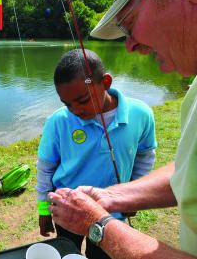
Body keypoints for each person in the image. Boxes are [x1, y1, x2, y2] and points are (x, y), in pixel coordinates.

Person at [48, 0, 197, 258]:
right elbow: (190, 169)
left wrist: (99, 225)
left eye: (130, 22)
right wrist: (113, 197)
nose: (129, 46)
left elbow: (146, 153)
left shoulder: (141, 114)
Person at [36, 48, 157, 259]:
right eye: (67, 104)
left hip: (112, 213)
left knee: (101, 255)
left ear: (106, 82)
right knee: (66, 252)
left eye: (82, 100)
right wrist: (44, 209)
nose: (75, 110)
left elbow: (145, 156)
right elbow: (46, 168)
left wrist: (134, 196)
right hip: (67, 208)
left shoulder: (141, 114)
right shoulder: (58, 121)